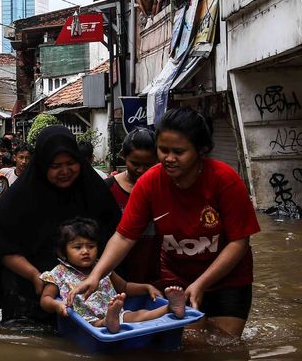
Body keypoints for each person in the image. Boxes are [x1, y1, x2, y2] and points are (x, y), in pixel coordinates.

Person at [73, 108, 260, 339]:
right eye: (163, 150)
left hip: (229, 279)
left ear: (201, 150)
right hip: (177, 282)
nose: (169, 159)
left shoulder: (225, 180)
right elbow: (124, 236)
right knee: (191, 345)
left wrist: (201, 283)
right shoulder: (150, 183)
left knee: (225, 347)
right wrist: (96, 275)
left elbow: (238, 242)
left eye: (179, 152)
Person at [0, 125, 121, 324]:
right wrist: (35, 275)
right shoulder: (17, 199)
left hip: (83, 290)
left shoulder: (94, 192)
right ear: (43, 165)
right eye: (55, 166)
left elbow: (117, 238)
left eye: (71, 163)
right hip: (26, 286)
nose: (64, 171)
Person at [39, 218, 181, 333]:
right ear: (62, 252)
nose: (85, 251)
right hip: (87, 320)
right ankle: (107, 322)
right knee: (97, 323)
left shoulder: (101, 267)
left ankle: (170, 308)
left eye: (91, 246)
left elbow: (124, 286)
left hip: (116, 313)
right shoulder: (57, 273)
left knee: (139, 314)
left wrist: (146, 287)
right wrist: (57, 305)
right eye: (78, 247)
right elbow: (45, 299)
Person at [106, 126, 161, 284]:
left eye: (148, 165)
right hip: (119, 271)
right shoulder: (108, 189)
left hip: (156, 268)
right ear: (123, 156)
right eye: (135, 163)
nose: (141, 170)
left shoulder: (164, 188)